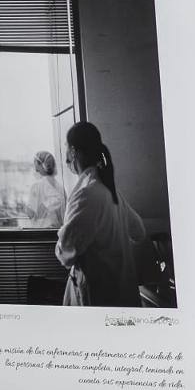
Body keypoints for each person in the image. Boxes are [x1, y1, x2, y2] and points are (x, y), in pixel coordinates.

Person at [55, 122, 148, 307]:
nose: (65, 157)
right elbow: (139, 231)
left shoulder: (86, 194)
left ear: (73, 152)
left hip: (99, 297)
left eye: (66, 149)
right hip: (120, 291)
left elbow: (67, 252)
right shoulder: (108, 190)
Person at [26, 150, 66, 228]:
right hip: (58, 232)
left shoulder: (36, 186)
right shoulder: (61, 187)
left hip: (42, 233)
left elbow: (31, 214)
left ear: (40, 166)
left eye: (35, 164)